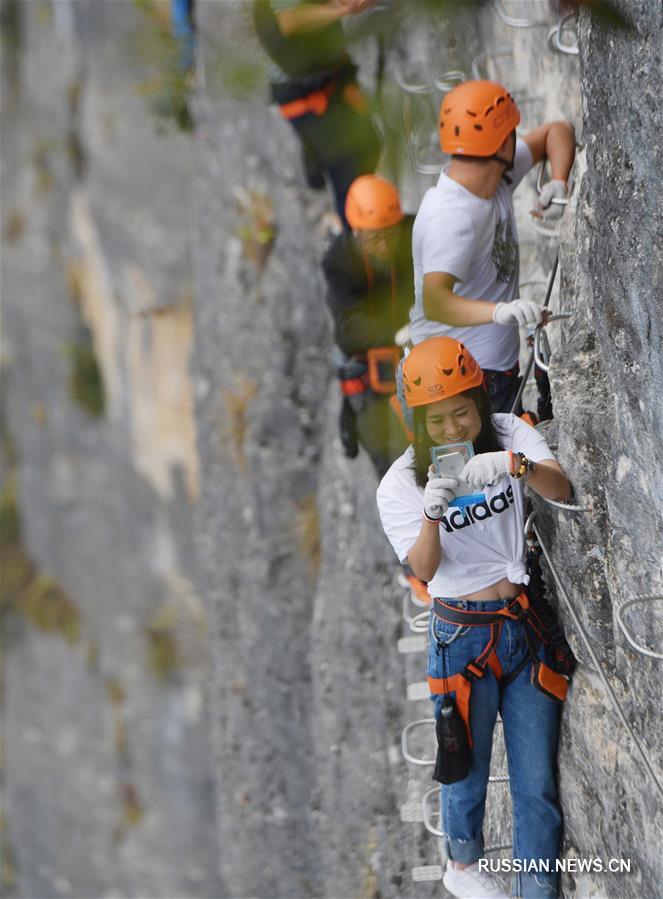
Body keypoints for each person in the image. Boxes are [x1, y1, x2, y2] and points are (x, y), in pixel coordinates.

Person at [376, 336, 572, 899]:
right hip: (460, 634)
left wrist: (515, 465)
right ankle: (462, 864)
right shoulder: (399, 486)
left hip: (523, 624)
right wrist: (432, 515)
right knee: (465, 770)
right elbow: (423, 570)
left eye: (461, 412)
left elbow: (560, 488)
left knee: (536, 787)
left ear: (481, 400)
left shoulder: (510, 434)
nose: (452, 429)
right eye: (435, 421)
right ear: (416, 423)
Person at [407, 79, 576, 414]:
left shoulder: (496, 176)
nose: (518, 135)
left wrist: (558, 180)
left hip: (493, 370)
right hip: (463, 383)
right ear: (501, 145)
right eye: (512, 130)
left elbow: (557, 131)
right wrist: (500, 312)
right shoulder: (451, 217)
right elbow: (436, 302)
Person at [253, 0, 381, 227]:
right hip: (308, 92)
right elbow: (289, 21)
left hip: (325, 78)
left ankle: (315, 166)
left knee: (368, 148)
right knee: (349, 171)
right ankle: (354, 243)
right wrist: (342, 10)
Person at [323, 175, 414, 476]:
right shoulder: (340, 260)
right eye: (375, 237)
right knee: (387, 456)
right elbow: (347, 329)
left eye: (390, 233)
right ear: (357, 233)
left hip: (412, 346)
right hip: (368, 363)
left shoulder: (413, 233)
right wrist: (394, 333)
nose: (385, 244)